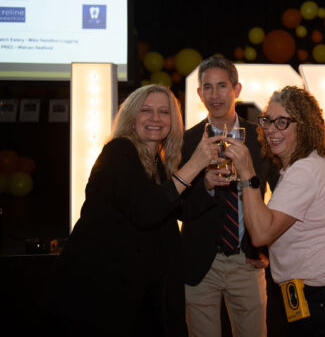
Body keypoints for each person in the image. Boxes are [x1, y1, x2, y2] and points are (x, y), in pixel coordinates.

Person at [41, 84, 221, 336]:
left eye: (164, 112)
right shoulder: (118, 152)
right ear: (131, 117)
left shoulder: (156, 160)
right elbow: (147, 211)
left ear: (173, 121)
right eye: (146, 110)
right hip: (95, 295)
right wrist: (194, 165)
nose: (155, 118)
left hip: (134, 293)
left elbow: (177, 209)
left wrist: (207, 184)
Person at [224, 85, 325, 337]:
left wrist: (247, 172)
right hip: (320, 293)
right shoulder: (298, 166)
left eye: (282, 122)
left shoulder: (305, 170)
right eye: (268, 120)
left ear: (303, 127)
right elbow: (281, 227)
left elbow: (261, 233)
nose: (271, 129)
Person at [180, 56, 275, 337]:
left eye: (222, 85)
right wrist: (205, 187)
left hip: (247, 260)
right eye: (207, 87)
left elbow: (281, 198)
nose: (215, 95)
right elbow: (178, 207)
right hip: (200, 263)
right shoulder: (186, 141)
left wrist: (267, 247)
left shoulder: (261, 138)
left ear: (237, 89)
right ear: (199, 94)